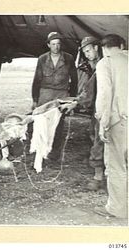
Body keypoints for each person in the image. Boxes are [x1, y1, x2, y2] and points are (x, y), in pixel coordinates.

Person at [63, 36, 105, 191]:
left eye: (88, 50)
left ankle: (98, 178)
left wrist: (76, 102)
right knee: (96, 137)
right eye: (85, 52)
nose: (87, 54)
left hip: (105, 109)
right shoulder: (94, 65)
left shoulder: (103, 65)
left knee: (99, 141)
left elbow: (89, 90)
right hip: (100, 107)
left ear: (96, 47)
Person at [93, 34, 128, 218]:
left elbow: (105, 95)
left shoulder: (105, 63)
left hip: (119, 122)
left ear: (103, 49)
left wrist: (103, 124)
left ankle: (117, 208)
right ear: (121, 45)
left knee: (117, 166)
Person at [31, 32, 78, 160]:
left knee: (58, 124)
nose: (56, 47)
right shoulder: (42, 59)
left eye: (58, 44)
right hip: (45, 94)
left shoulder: (68, 58)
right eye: (53, 44)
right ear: (48, 45)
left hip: (61, 95)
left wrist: (71, 99)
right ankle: (41, 153)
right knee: (42, 124)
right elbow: (37, 79)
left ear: (61, 45)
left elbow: (74, 80)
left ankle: (54, 154)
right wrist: (35, 100)